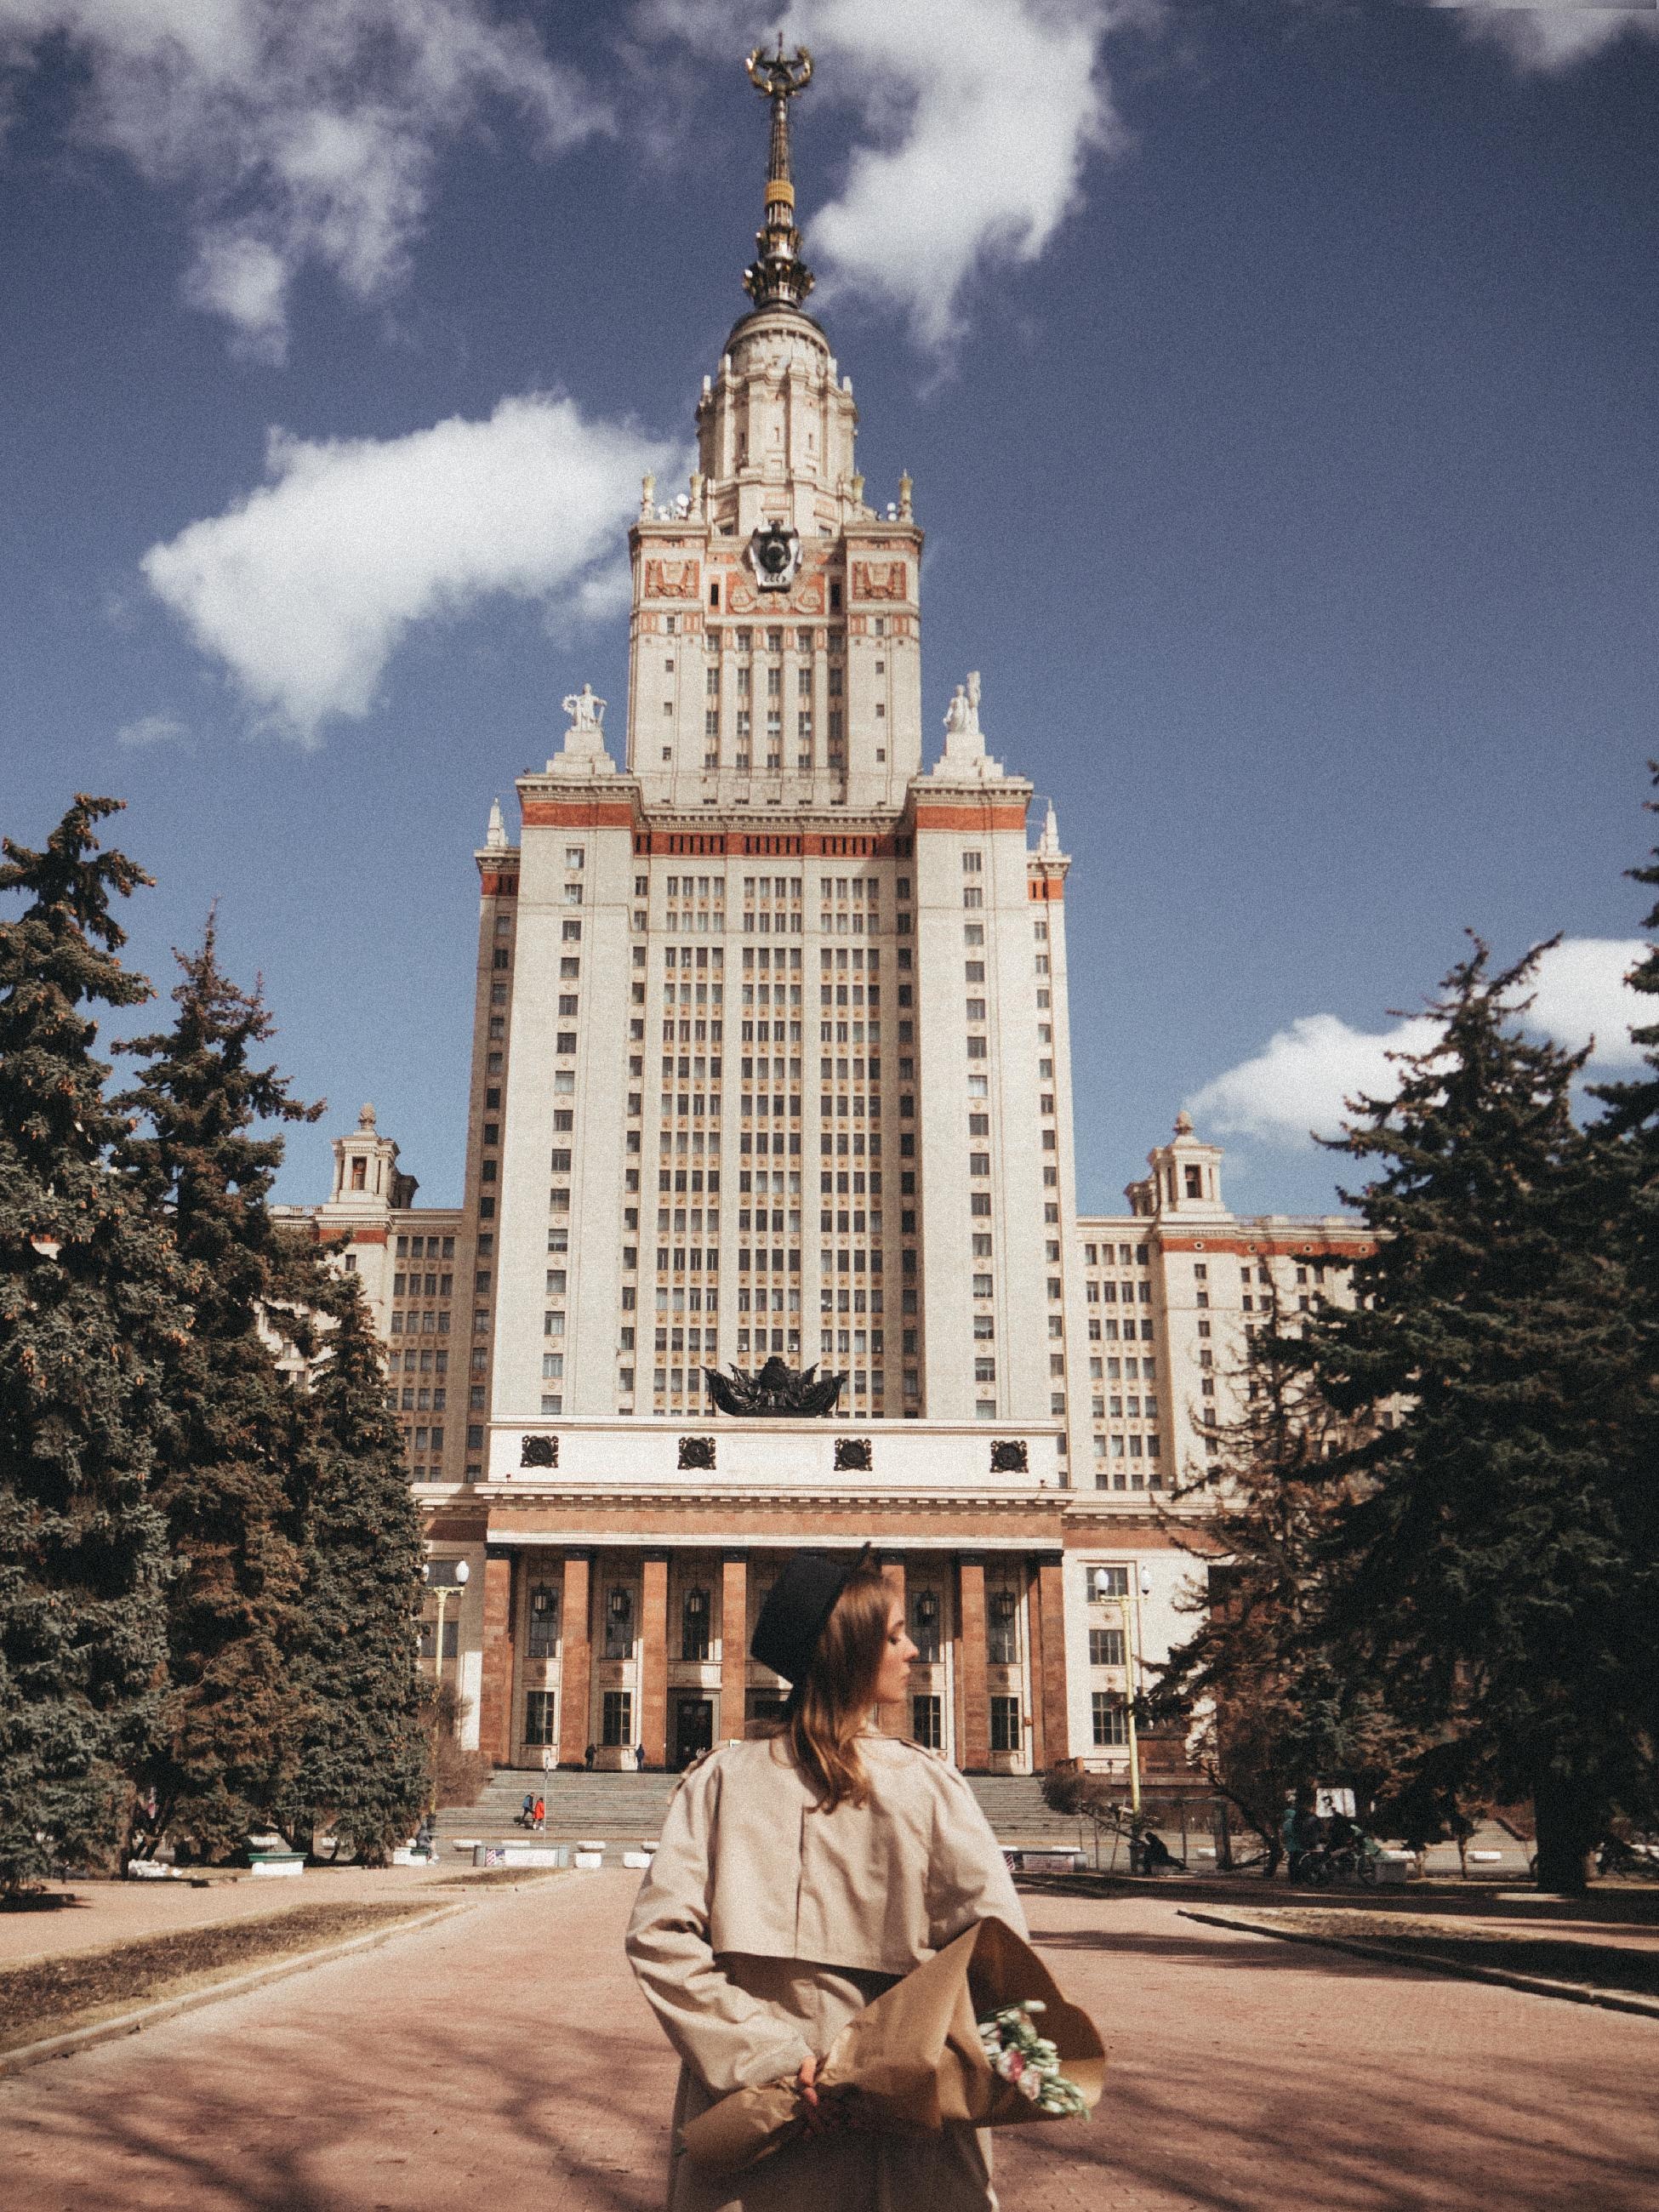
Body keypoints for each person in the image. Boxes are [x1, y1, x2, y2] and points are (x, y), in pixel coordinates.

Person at [627, 1550, 1027, 2212]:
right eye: (895, 1636)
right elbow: (997, 1954)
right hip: (901, 2131)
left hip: (760, 2117)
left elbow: (659, 1939)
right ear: (852, 1652)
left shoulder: (719, 1781)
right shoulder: (929, 1787)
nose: (914, 1650)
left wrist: (777, 2061)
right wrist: (881, 2065)